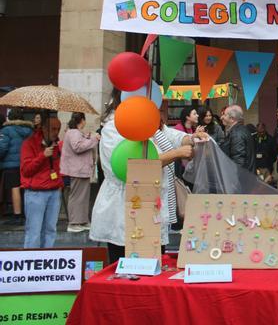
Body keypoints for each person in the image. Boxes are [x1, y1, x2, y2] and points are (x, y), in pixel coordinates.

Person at [90, 89, 206, 263]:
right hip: (125, 207)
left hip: (151, 206)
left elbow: (171, 135)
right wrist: (176, 154)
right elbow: (132, 167)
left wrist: (191, 138)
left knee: (152, 263)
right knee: (124, 265)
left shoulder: (146, 123)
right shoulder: (114, 127)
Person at [21, 115, 62, 248]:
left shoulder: (56, 145)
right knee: (34, 231)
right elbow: (26, 170)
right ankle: (30, 261)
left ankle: (47, 259)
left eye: (58, 129)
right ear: (44, 128)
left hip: (54, 190)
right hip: (36, 192)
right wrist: (42, 156)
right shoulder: (29, 143)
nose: (56, 132)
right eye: (53, 129)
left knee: (50, 229)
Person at [60, 112, 100, 233]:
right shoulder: (73, 132)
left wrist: (87, 137)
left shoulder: (74, 132)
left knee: (82, 197)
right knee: (77, 197)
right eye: (84, 120)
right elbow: (78, 147)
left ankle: (82, 220)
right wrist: (93, 139)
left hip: (81, 169)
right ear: (82, 120)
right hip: (77, 169)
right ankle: (74, 222)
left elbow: (79, 143)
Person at [0, 109, 33, 225]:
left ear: (9, 117)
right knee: (25, 188)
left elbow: (2, 148)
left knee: (15, 188)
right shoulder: (30, 131)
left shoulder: (6, 130)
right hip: (27, 163)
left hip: (11, 164)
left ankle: (17, 216)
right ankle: (26, 214)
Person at [219, 105, 256, 172]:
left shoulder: (237, 134)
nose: (221, 117)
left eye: (224, 115)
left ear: (232, 119)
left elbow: (238, 162)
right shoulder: (241, 130)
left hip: (241, 180)